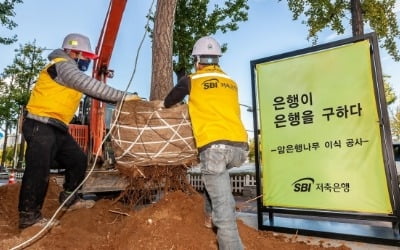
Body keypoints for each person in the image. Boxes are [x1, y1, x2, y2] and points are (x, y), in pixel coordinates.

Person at [18, 33, 139, 229]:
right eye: (86, 57)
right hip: (40, 124)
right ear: (74, 53)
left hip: (56, 127)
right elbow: (90, 86)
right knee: (39, 168)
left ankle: (69, 199)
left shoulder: (68, 70)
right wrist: (123, 97)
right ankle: (29, 216)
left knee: (78, 160)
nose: (87, 62)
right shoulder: (63, 65)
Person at [163, 36, 248, 250]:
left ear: (197, 60)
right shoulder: (230, 81)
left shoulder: (192, 80)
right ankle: (208, 216)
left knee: (225, 212)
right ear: (218, 60)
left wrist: (183, 82)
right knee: (217, 180)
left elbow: (168, 102)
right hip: (238, 147)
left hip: (215, 147)